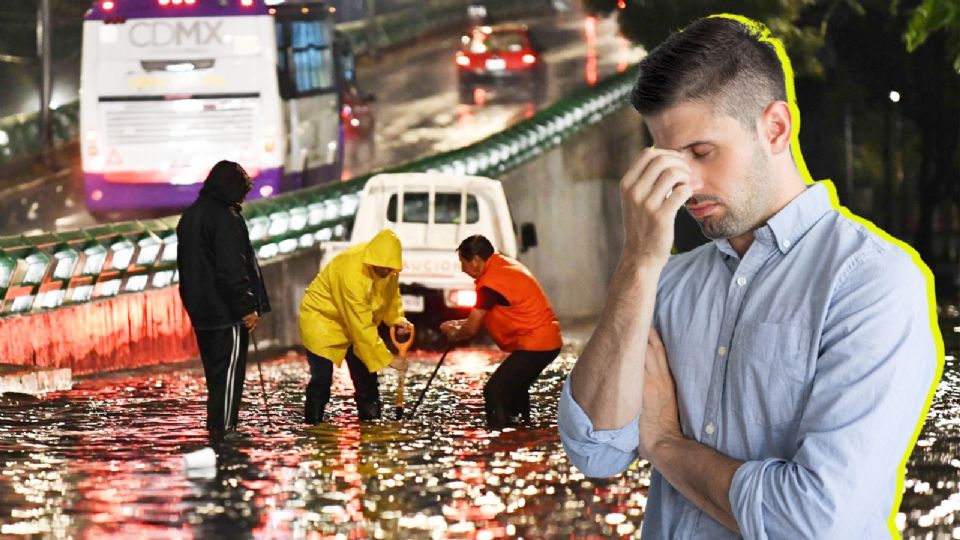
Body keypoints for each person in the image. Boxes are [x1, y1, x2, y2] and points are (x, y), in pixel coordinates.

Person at [558, 14, 940, 539]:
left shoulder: (871, 283)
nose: (684, 182)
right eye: (668, 158)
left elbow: (812, 524)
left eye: (701, 152)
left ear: (775, 128)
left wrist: (667, 445)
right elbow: (596, 452)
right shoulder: (665, 282)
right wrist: (637, 262)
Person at [176, 160, 271, 438]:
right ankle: (224, 433)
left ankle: (216, 429)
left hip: (201, 312)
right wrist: (247, 307)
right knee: (228, 379)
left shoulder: (190, 215)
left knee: (216, 378)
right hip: (226, 313)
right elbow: (231, 268)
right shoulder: (225, 217)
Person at [440, 234, 562, 428]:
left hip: (536, 344)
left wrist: (455, 333)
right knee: (515, 388)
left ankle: (500, 435)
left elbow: (471, 329)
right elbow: (479, 318)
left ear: (477, 261)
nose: (463, 270)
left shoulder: (490, 284)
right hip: (547, 341)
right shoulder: (504, 267)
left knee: (495, 390)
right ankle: (522, 432)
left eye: (463, 263)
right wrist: (457, 324)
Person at [299, 229, 412, 423]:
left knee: (367, 380)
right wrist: (389, 359)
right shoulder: (351, 271)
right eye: (381, 267)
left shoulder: (390, 269)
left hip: (357, 324)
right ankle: (313, 426)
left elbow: (390, 297)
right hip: (323, 320)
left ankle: (371, 425)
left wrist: (396, 319)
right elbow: (361, 326)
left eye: (389, 269)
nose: (386, 272)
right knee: (322, 379)